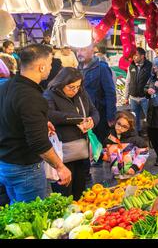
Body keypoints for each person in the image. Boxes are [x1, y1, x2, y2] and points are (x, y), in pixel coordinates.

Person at [0, 44, 71, 203]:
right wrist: (60, 167)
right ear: (41, 67)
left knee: (17, 216)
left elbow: (11, 116)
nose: (52, 67)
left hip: (5, 164)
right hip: (25, 169)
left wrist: (41, 121)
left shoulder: (7, 86)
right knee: (34, 219)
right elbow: (39, 143)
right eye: (51, 62)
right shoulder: (31, 96)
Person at [43, 68, 99, 200]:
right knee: (64, 195)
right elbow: (51, 115)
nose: (74, 90)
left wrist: (92, 121)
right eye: (71, 87)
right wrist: (79, 119)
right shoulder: (50, 94)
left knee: (80, 192)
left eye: (77, 87)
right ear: (61, 83)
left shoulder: (81, 93)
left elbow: (94, 111)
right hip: (62, 153)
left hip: (81, 150)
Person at [77, 45, 117, 144]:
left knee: (100, 144)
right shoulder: (78, 68)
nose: (79, 52)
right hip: (83, 114)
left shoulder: (101, 68)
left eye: (83, 49)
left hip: (99, 114)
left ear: (92, 51)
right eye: (78, 50)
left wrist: (111, 116)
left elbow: (110, 93)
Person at [102, 111, 149, 177]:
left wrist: (134, 167)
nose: (120, 128)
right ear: (115, 122)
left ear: (130, 128)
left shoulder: (136, 140)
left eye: (124, 127)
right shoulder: (109, 139)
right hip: (115, 175)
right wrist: (102, 155)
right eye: (119, 124)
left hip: (132, 174)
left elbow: (143, 154)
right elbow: (106, 154)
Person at [124, 48, 153, 135]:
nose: (134, 57)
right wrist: (126, 97)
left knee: (150, 117)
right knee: (135, 118)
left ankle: (152, 134)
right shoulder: (131, 66)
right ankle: (138, 134)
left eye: (136, 55)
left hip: (145, 98)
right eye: (133, 55)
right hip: (133, 98)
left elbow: (153, 79)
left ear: (142, 56)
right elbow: (127, 81)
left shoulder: (150, 66)